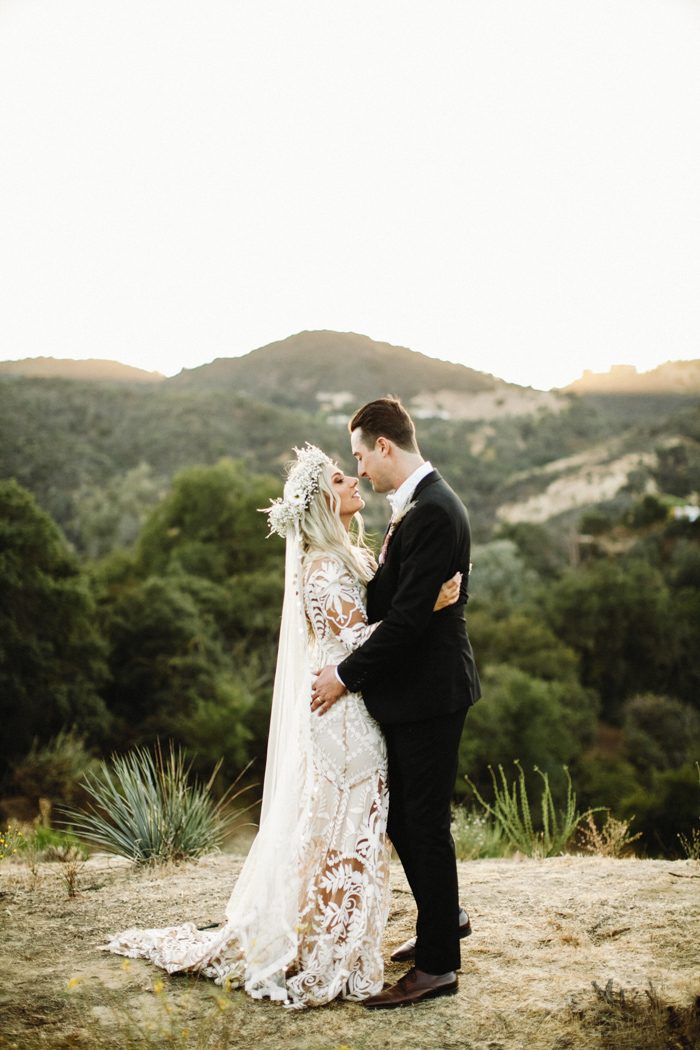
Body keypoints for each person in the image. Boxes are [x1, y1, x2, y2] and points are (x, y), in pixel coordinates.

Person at [99, 443, 459, 1009]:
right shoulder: (321, 567)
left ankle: (345, 933)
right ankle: (324, 945)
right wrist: (429, 607)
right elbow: (357, 642)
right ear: (323, 501)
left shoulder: (344, 555)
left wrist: (410, 608)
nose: (354, 479)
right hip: (342, 717)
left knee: (353, 826)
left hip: (356, 710)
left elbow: (375, 615)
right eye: (342, 478)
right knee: (344, 825)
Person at [311, 397, 481, 1009]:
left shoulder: (432, 508)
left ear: (385, 445)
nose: (359, 469)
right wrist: (437, 601)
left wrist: (345, 676)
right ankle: (446, 917)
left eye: (360, 454)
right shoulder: (422, 506)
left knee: (423, 822)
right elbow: (408, 596)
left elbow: (406, 619)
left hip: (430, 693)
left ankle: (438, 965)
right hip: (418, 688)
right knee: (406, 818)